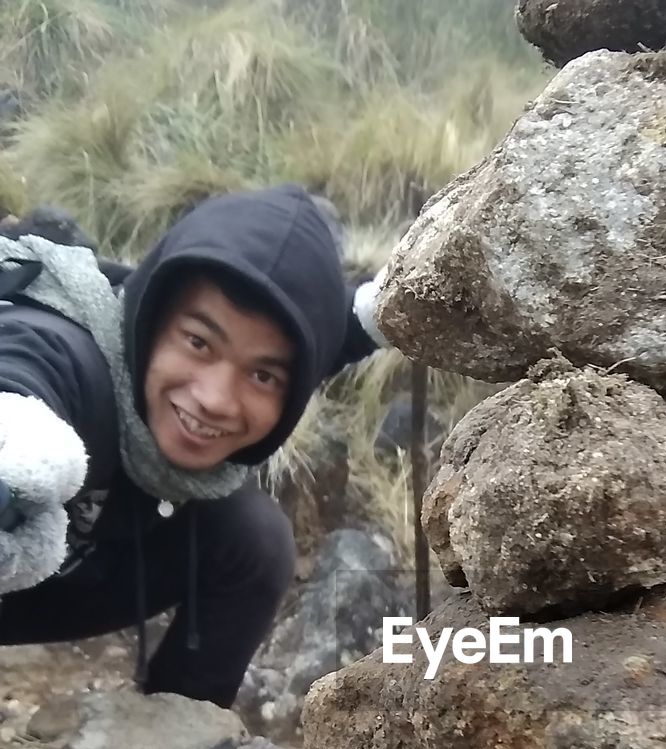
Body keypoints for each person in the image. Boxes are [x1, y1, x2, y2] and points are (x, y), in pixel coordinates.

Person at [0, 183, 388, 707]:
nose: (215, 400)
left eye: (262, 375)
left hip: (61, 579)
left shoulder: (226, 357)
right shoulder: (79, 357)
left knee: (254, 539)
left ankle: (190, 737)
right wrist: (15, 447)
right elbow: (29, 365)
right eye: (199, 342)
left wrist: (392, 307)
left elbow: (331, 330)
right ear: (150, 319)